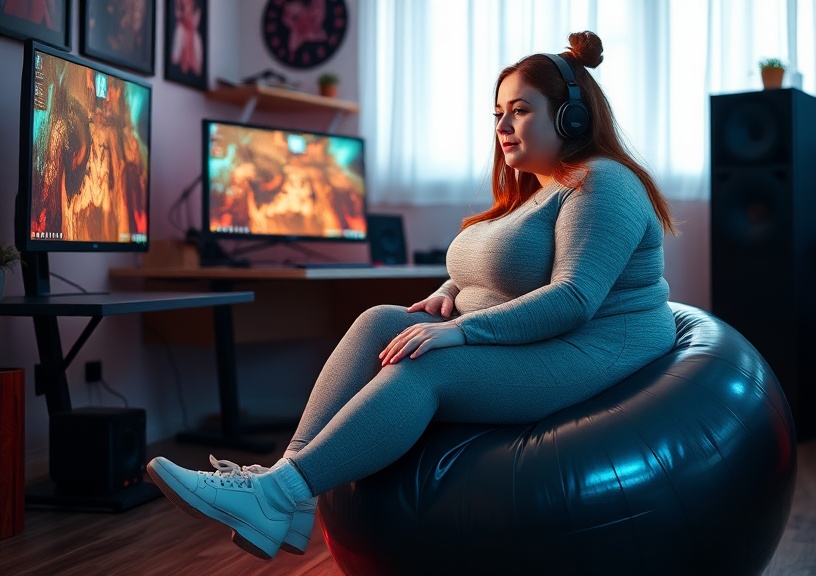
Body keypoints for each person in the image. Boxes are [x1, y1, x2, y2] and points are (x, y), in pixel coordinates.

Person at [147, 30, 678, 561]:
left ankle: (275, 495)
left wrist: (459, 330)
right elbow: (501, 268)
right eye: (497, 113)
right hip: (548, 339)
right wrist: (448, 294)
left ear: (572, 118)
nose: (502, 127)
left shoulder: (602, 184)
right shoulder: (537, 189)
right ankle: (288, 490)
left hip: (591, 348)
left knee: (425, 365)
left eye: (520, 111)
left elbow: (572, 300)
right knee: (383, 319)